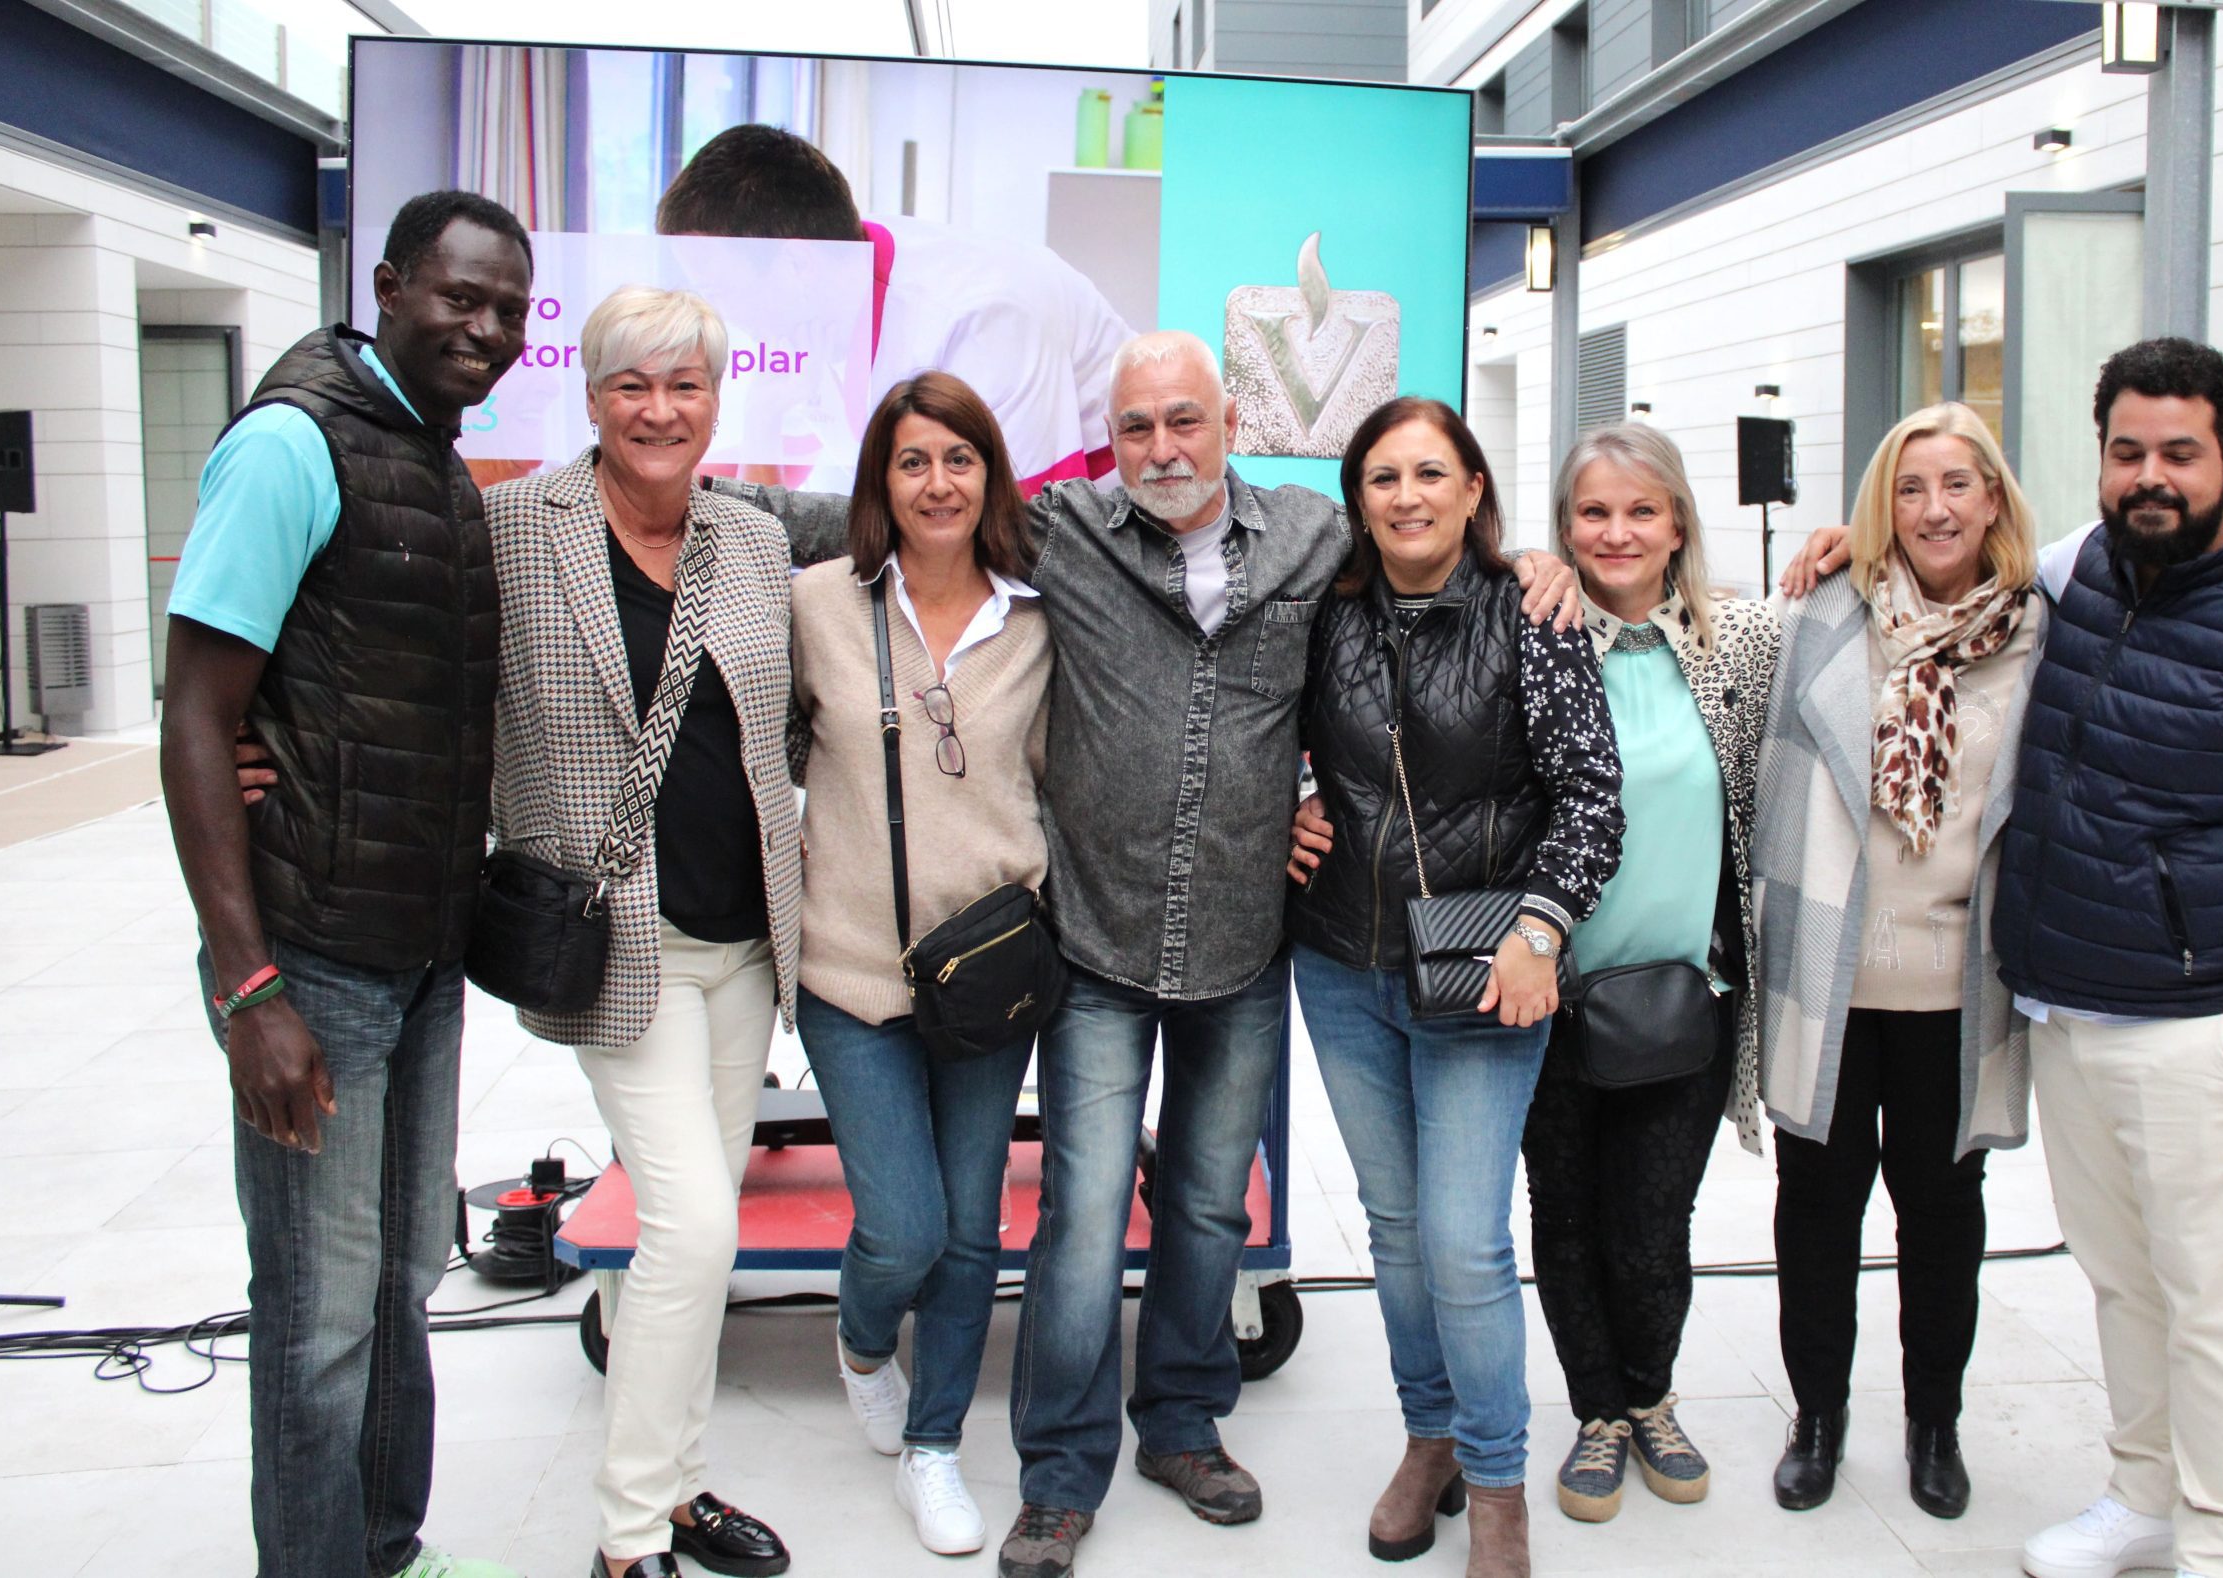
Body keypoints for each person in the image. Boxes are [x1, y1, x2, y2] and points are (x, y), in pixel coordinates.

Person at [719, 330, 1576, 1578]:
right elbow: (863, 514)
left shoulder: (1313, 538)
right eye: (1135, 428)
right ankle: (1061, 1475)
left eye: (1184, 421)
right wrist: (680, 485)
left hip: (1242, 940)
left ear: (1228, 422)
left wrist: (1534, 561)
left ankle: (1180, 1425)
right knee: (1079, 1217)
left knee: (1209, 1203)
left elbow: (1427, 548)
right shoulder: (1061, 533)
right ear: (1108, 440)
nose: (1162, 448)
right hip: (1096, 941)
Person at [1779, 341, 2223, 1578]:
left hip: (2207, 1030)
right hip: (2080, 1015)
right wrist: (1850, 539)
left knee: (2220, 1304)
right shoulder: (2088, 572)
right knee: (2126, 1284)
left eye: (2180, 453)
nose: (2150, 476)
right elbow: (1959, 549)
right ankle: (2143, 1498)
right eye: (2127, 453)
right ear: (2099, 462)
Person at [160, 190, 533, 1578]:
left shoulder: (430, 454)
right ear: (386, 286)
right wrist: (248, 984)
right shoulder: (291, 443)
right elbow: (197, 715)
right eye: (459, 296)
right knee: (318, 1311)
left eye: (507, 309)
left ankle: (384, 1544)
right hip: (310, 961)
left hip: (419, 953)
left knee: (400, 1279)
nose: (484, 328)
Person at [480, 287, 801, 1578]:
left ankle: (677, 1488)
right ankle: (626, 1538)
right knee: (693, 1227)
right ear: (591, 395)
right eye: (632, 384)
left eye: (684, 385)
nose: (659, 410)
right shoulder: (516, 527)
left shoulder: (752, 539)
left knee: (696, 1236)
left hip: (743, 942)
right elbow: (422, 672)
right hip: (618, 945)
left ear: (717, 398)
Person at [1282, 397, 1624, 1578]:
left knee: (1464, 1242)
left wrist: (1541, 926)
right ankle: (1426, 1438)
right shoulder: (1324, 614)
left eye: (1431, 473)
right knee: (1393, 1229)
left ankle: (1494, 1485)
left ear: (1473, 488)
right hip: (1342, 962)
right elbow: (1256, 731)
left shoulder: (1533, 612)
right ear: (1357, 498)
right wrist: (1288, 805)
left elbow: (1591, 795)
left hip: (1487, 970)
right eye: (1383, 477)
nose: (1407, 497)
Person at [1752, 401, 2042, 1523]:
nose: (1935, 508)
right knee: (1816, 1211)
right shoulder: (1826, 613)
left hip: (1956, 982)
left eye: (1958, 483)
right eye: (1910, 488)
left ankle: (1934, 1424)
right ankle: (1816, 1418)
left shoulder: (2039, 627)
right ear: (1882, 504)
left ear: (1993, 498)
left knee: (1943, 1214)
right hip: (1832, 975)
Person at [787, 371, 1052, 1558]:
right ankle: (859, 1343)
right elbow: (750, 744)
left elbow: (1067, 779)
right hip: (848, 972)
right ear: (879, 483)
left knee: (971, 1229)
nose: (937, 483)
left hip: (988, 973)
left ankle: (934, 1446)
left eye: (959, 458)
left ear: (989, 476)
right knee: (903, 1227)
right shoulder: (817, 604)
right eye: (912, 461)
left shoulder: (1038, 622)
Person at [1518, 425, 1778, 1525]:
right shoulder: (1531, 634)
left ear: (1678, 525)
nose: (1616, 533)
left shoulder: (1740, 643)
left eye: (1640, 511)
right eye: (1592, 512)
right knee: (1565, 1217)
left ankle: (1652, 1398)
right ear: (1563, 528)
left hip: (1684, 1002)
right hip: (1545, 995)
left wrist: (1827, 551)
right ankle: (1597, 1413)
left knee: (1651, 1224)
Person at [657, 123, 1133, 493]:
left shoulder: (981, 316)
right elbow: (766, 499)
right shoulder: (824, 288)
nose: (720, 313)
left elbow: (1030, 533)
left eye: (719, 288)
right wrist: (762, 412)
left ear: (796, 264)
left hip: (1120, 536)